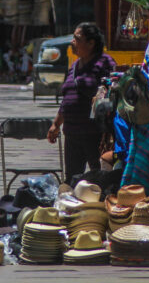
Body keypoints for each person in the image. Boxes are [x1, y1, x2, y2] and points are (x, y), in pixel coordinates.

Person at [47, 22, 115, 184]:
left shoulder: (104, 63)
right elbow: (67, 98)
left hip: (95, 134)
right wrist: (56, 125)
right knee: (71, 178)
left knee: (99, 177)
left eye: (77, 39)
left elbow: (112, 93)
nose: (72, 42)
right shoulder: (74, 66)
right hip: (72, 134)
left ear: (91, 43)